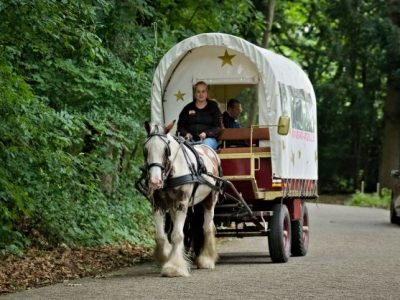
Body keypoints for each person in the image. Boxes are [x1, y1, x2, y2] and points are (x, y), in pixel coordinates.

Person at [177, 81, 222, 150]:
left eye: (203, 91)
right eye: (198, 91)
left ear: (207, 93)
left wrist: (206, 134)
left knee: (204, 146)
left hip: (208, 140)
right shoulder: (187, 108)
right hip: (190, 140)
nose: (201, 94)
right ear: (195, 94)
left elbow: (218, 127)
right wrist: (186, 134)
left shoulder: (213, 107)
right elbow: (180, 126)